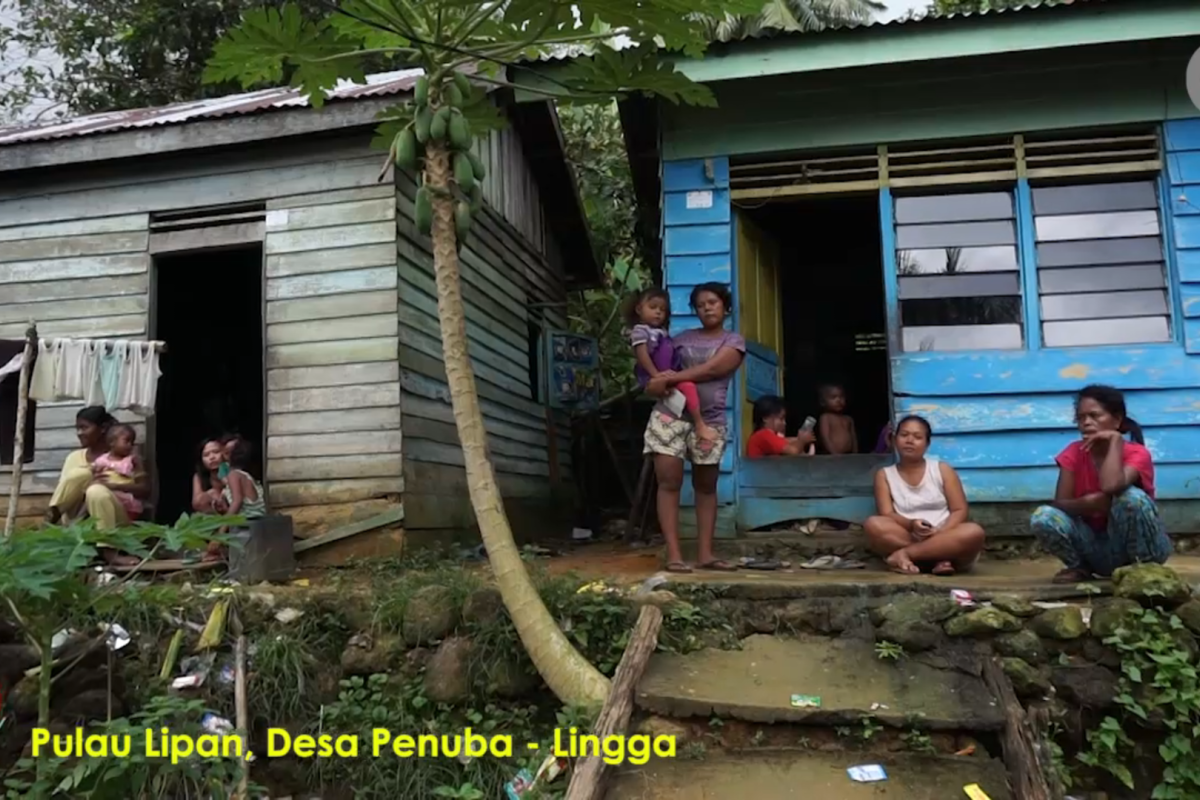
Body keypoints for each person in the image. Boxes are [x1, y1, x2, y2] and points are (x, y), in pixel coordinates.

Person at [643, 282, 745, 573]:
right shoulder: (678, 340)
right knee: (668, 482)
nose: (707, 308)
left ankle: (705, 555)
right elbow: (653, 379)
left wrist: (672, 379)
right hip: (670, 418)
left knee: (705, 486)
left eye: (712, 302)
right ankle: (674, 555)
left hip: (709, 422)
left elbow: (714, 369)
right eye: (700, 305)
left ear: (725, 307)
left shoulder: (733, 341)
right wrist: (654, 383)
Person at [1029, 384, 1170, 584]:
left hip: (1143, 548)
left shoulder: (1137, 453)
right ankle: (1080, 567)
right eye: (1081, 417)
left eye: (1095, 416)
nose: (1087, 423)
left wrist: (1115, 442)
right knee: (1043, 516)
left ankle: (1144, 571)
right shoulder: (1073, 453)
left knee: (1131, 498)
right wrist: (1089, 504)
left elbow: (1112, 486)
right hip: (1097, 550)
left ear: (1117, 419)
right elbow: (1060, 504)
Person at [864, 415, 986, 575]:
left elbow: (959, 510)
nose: (909, 441)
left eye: (917, 437)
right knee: (873, 524)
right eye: (904, 435)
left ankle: (906, 556)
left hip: (944, 533)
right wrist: (911, 524)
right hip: (910, 535)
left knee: (974, 532)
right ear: (894, 440)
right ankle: (938, 558)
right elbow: (887, 513)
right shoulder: (884, 475)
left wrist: (940, 533)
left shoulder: (942, 470)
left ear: (927, 444)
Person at [44, 406, 150, 566]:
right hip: (79, 520)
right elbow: (69, 492)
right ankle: (49, 521)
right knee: (81, 475)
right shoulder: (74, 458)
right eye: (77, 428)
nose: (79, 433)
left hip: (115, 519)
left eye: (84, 428)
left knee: (96, 490)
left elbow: (146, 491)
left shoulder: (128, 458)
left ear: (103, 429)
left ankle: (109, 551)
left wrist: (112, 486)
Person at [627, 288, 718, 452]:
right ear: (639, 309)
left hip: (669, 375)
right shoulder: (640, 331)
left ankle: (698, 423)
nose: (658, 313)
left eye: (662, 310)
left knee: (688, 388)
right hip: (654, 375)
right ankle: (692, 425)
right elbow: (642, 355)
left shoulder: (662, 332)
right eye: (653, 307)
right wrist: (656, 376)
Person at [204, 439, 267, 562]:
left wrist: (220, 535)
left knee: (209, 521)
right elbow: (247, 507)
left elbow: (237, 502)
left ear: (228, 456)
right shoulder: (246, 475)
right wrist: (224, 510)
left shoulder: (234, 475)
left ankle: (216, 552)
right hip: (255, 521)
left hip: (248, 524)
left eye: (226, 451)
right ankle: (220, 554)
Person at [90, 423, 144, 524]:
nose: (130, 445)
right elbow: (95, 474)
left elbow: (144, 488)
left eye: (132, 442)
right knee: (92, 490)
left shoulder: (132, 461)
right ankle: (78, 519)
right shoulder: (101, 461)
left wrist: (114, 486)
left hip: (125, 506)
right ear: (112, 442)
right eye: (126, 441)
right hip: (104, 497)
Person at [746, 395, 815, 458]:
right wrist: (802, 440)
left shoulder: (767, 436)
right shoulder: (764, 435)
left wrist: (801, 438)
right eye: (781, 419)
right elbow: (793, 451)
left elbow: (787, 441)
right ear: (765, 418)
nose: (784, 423)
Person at [817, 383, 858, 455]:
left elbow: (854, 439)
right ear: (823, 402)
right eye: (833, 397)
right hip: (832, 456)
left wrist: (855, 454)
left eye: (841, 397)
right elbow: (825, 438)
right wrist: (834, 454)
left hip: (848, 456)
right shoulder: (826, 417)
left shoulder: (848, 419)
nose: (838, 400)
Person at [192, 439, 228, 515]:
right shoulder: (199, 476)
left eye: (216, 452)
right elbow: (196, 503)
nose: (212, 457)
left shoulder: (232, 471)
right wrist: (210, 495)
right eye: (206, 455)